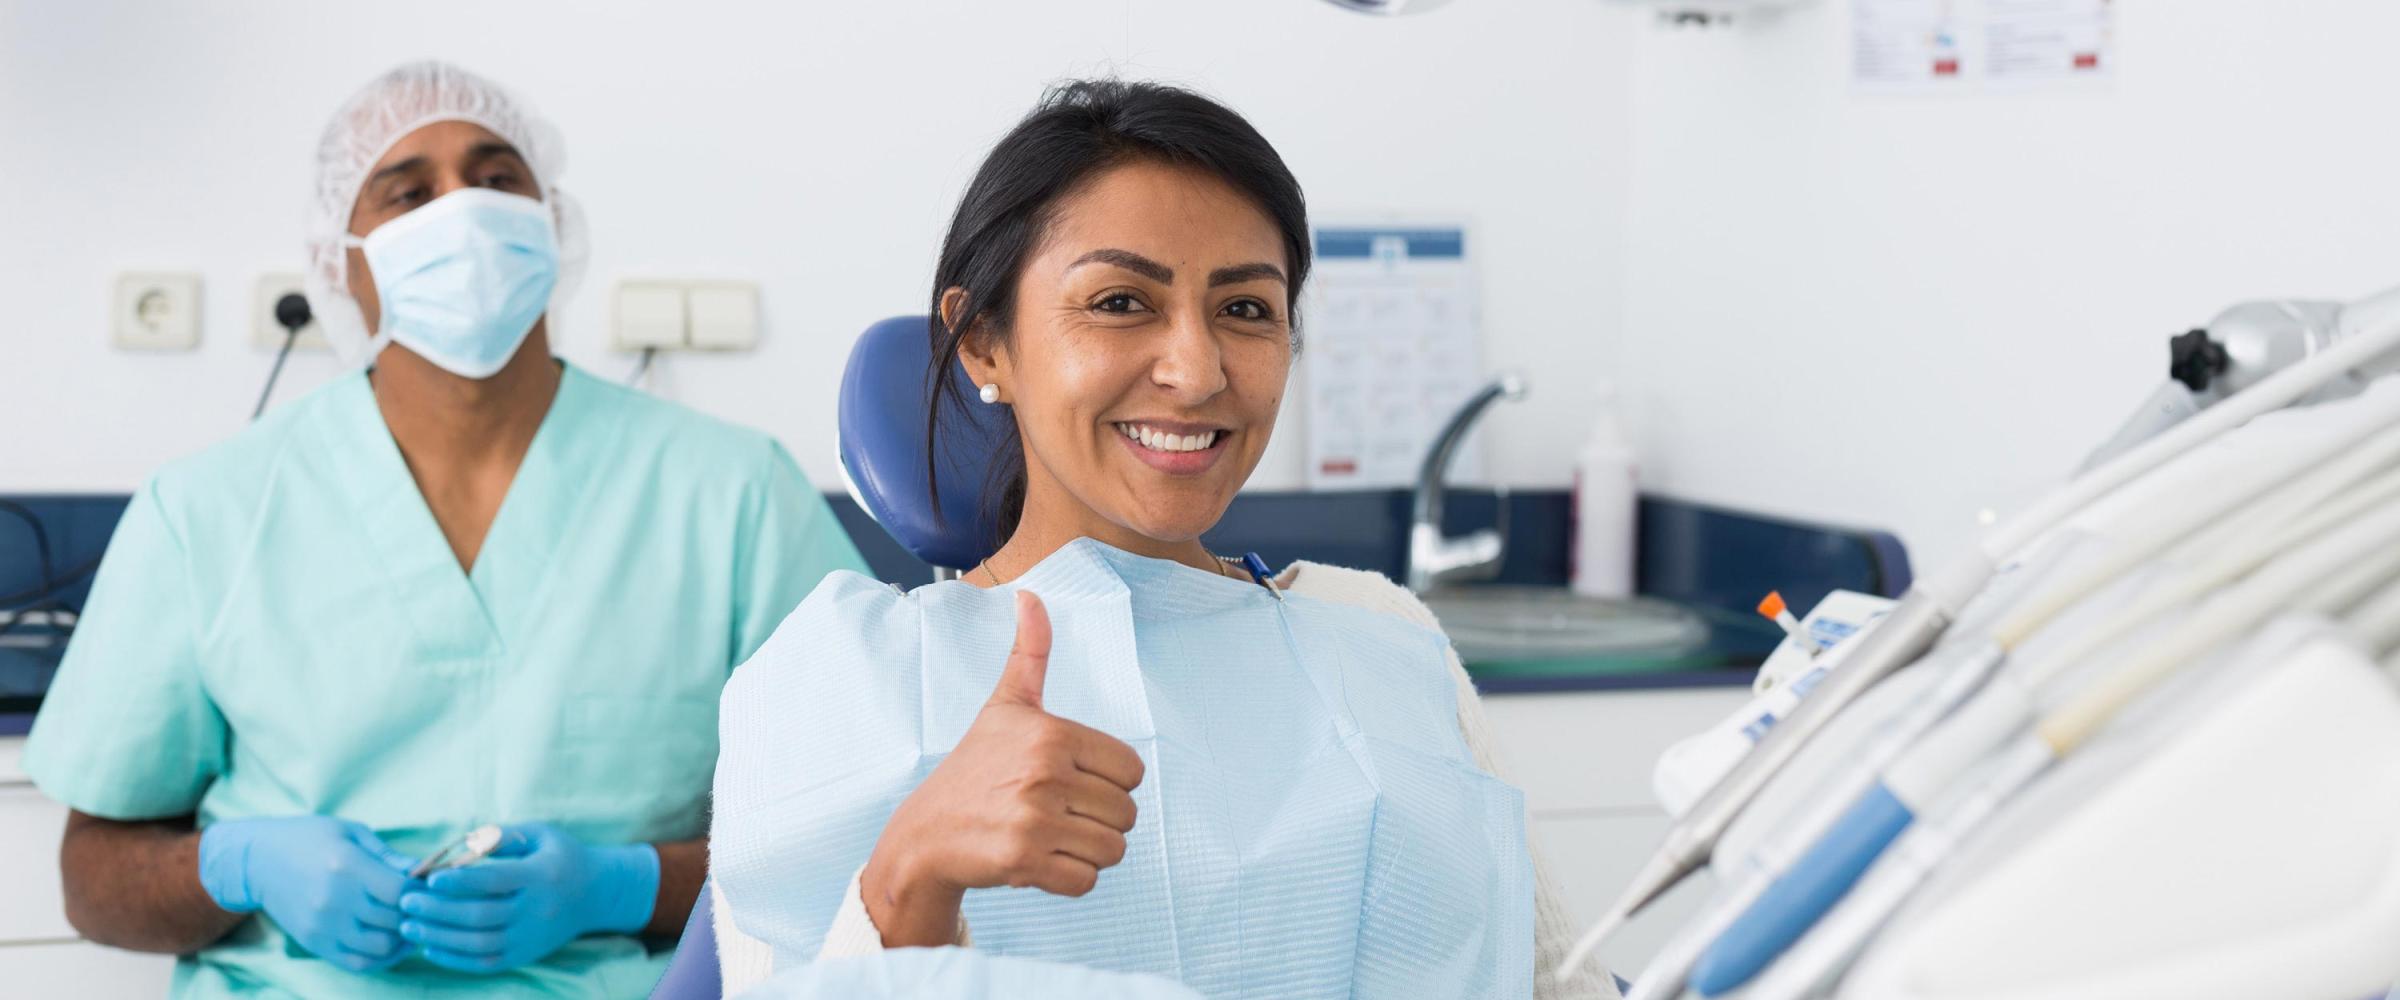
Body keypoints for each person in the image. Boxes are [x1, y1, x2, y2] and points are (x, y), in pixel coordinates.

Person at [707, 80, 1620, 999]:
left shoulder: (1379, 630)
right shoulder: (832, 683)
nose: (1196, 370)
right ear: (984, 341)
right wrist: (909, 874)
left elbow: (1554, 978)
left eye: (1246, 309)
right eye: (1119, 302)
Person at [22, 61, 868, 998]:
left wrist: (621, 888)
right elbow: (93, 878)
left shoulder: (732, 494)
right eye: (409, 193)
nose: (463, 212)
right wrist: (236, 865)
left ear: (554, 225)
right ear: (343, 258)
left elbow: (857, 834)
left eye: (499, 178)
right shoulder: (208, 511)